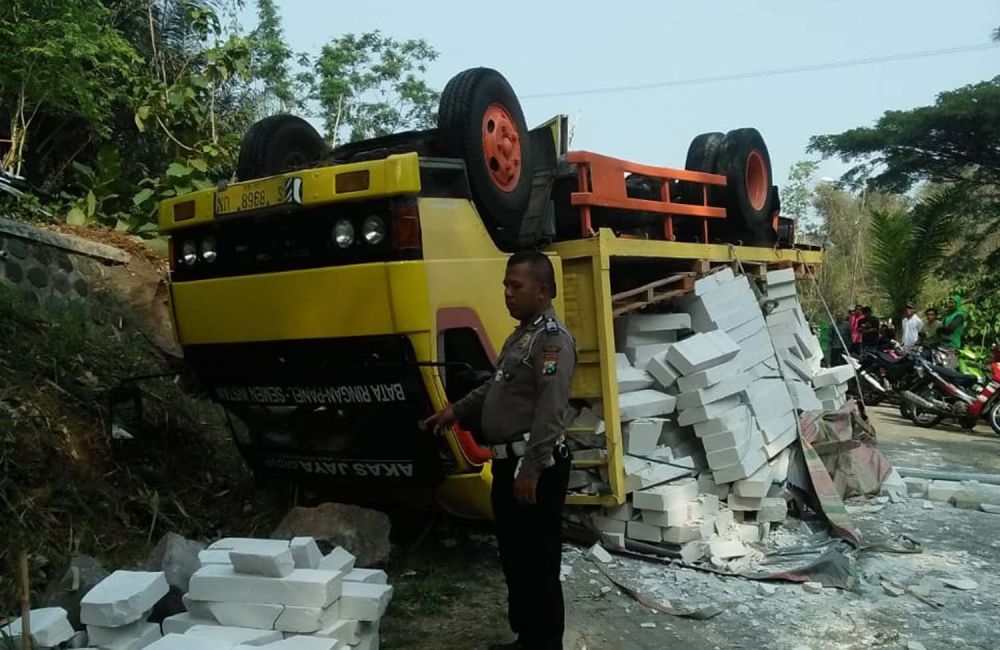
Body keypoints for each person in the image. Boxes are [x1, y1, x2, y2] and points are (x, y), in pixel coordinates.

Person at [424, 251, 576, 650]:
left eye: (516, 286)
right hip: (508, 463)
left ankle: (545, 643)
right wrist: (456, 410)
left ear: (542, 291)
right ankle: (527, 636)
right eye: (505, 285)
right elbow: (496, 386)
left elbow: (551, 410)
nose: (507, 293)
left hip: (535, 467)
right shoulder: (521, 335)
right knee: (514, 555)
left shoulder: (552, 341)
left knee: (539, 560)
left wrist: (531, 470)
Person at [937, 295, 967, 368]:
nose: (950, 305)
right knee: (942, 368)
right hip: (943, 345)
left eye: (952, 303)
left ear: (957, 303)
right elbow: (938, 331)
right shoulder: (947, 316)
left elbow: (951, 329)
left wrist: (942, 329)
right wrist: (942, 329)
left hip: (953, 345)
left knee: (950, 368)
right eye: (949, 303)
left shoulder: (960, 315)